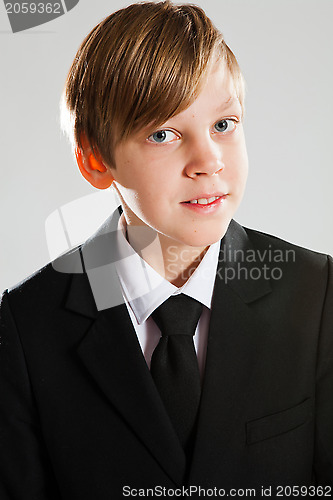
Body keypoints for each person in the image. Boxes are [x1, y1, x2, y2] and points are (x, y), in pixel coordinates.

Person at [0, 1, 332, 498]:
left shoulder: (317, 292)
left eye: (224, 125)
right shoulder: (28, 324)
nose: (208, 161)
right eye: (163, 133)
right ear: (94, 159)